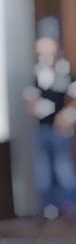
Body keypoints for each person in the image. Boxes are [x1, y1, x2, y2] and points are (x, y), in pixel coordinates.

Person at [24, 26, 76, 219]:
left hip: (61, 130)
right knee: (43, 169)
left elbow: (72, 97)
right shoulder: (37, 74)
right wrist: (35, 106)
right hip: (42, 129)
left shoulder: (65, 71)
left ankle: (69, 205)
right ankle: (49, 207)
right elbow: (30, 100)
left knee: (64, 167)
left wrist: (68, 115)